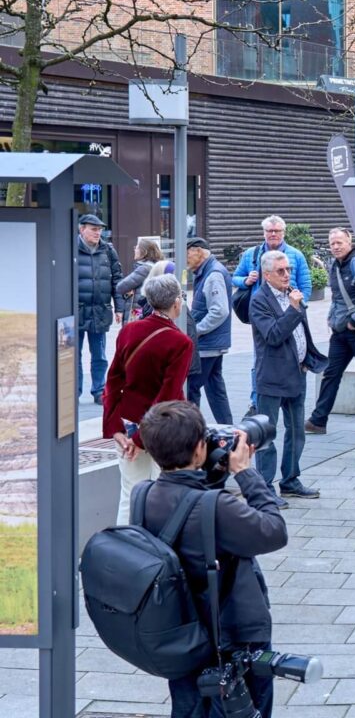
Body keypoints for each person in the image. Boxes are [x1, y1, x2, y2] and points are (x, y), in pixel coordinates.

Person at [136, 400, 287, 718]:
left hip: (182, 632)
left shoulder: (143, 494)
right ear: (199, 450)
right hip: (232, 635)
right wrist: (245, 474)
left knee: (190, 709)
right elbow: (274, 531)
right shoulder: (216, 507)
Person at [102, 275, 194, 525]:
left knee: (130, 495)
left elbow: (113, 380)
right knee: (166, 497)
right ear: (176, 302)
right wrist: (141, 440)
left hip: (129, 422)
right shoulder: (181, 343)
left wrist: (116, 430)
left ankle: (123, 553)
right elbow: (168, 395)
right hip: (163, 429)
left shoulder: (129, 330)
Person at [250, 250, 326, 503]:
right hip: (271, 377)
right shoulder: (260, 300)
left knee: (296, 432)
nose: (287, 275)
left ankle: (291, 480)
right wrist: (293, 309)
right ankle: (265, 489)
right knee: (266, 435)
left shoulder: (291, 293)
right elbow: (273, 335)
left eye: (289, 270)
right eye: (281, 271)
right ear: (267, 274)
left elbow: (301, 333)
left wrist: (306, 358)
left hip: (296, 373)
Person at [305, 227, 355, 437]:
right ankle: (318, 420)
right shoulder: (334, 265)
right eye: (332, 243)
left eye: (339, 242)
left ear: (349, 242)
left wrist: (354, 320)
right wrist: (332, 318)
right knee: (330, 374)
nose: (335, 247)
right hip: (339, 331)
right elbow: (337, 297)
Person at [233, 215, 312, 415]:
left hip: (290, 313)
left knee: (289, 354)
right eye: (270, 231)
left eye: (277, 231)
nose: (273, 234)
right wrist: (246, 281)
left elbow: (306, 284)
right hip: (262, 314)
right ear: (264, 233)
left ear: (284, 233)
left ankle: (287, 395)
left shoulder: (295, 255)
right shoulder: (252, 254)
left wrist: (300, 306)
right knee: (261, 359)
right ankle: (256, 400)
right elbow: (235, 277)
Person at [183, 238, 234, 425]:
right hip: (212, 343)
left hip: (207, 344)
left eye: (187, 253)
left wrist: (196, 331)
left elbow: (220, 311)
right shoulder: (208, 271)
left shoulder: (213, 274)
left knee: (192, 386)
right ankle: (228, 428)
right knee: (215, 386)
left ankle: (191, 431)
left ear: (199, 252)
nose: (185, 258)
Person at [76, 214, 126, 403]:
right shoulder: (70, 248)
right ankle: (75, 392)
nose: (98, 232)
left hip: (100, 310)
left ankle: (99, 391)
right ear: (82, 229)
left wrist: (119, 307)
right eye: (93, 229)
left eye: (100, 229)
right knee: (74, 355)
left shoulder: (108, 250)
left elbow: (117, 279)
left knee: (99, 354)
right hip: (76, 311)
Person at [116, 237, 164, 322]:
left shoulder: (144, 269)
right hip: (150, 311)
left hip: (139, 312)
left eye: (137, 247)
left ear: (144, 252)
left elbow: (120, 287)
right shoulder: (157, 266)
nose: (134, 250)